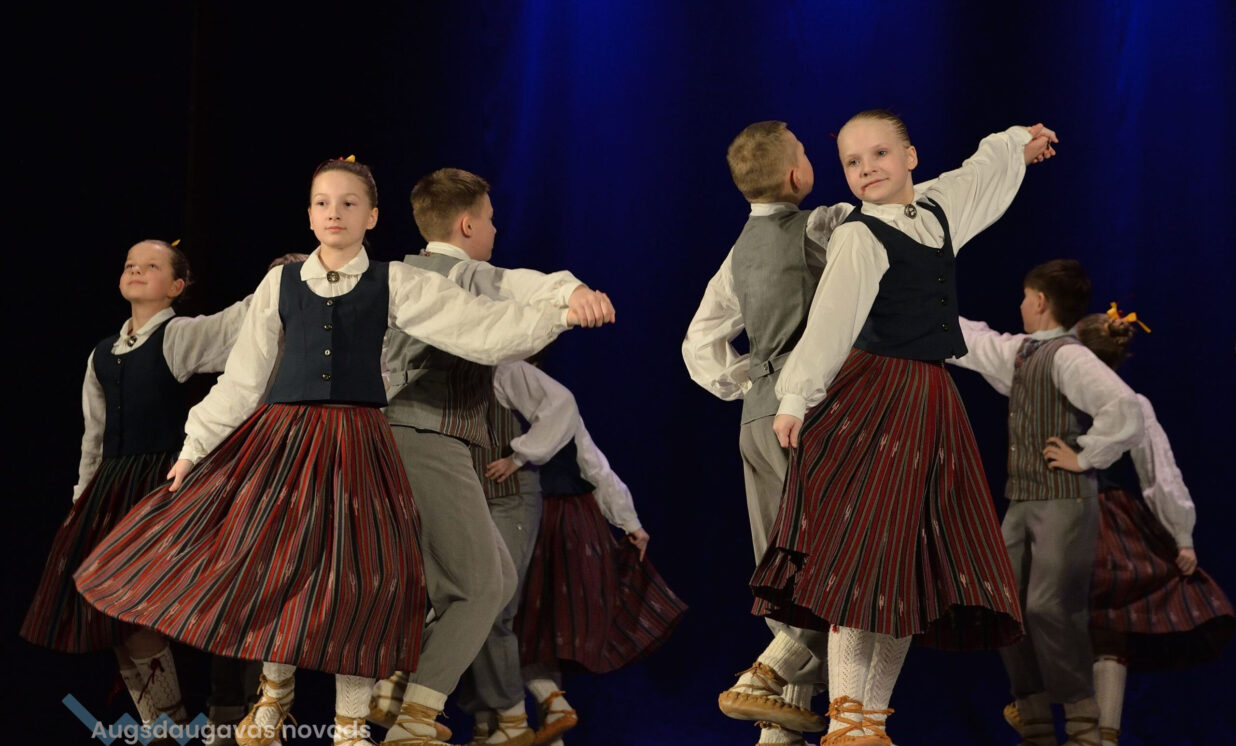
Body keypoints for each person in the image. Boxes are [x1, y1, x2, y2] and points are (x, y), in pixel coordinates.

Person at [73, 157, 588, 746]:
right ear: (310, 214)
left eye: (348, 203)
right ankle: (273, 697)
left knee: (359, 578)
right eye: (322, 203)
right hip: (287, 440)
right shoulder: (281, 285)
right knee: (280, 564)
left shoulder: (396, 281)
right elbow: (243, 379)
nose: (334, 213)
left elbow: (478, 328)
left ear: (372, 216)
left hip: (359, 440)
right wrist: (194, 449)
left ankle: (350, 724)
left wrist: (561, 312)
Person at [751, 110, 1058, 745]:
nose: (867, 169)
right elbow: (832, 320)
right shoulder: (860, 237)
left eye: (880, 154)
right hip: (873, 399)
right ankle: (844, 716)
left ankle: (869, 721)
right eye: (852, 162)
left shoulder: (936, 212)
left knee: (909, 569)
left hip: (929, 402)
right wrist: (795, 399)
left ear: (911, 156)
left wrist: (1015, 145)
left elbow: (976, 177)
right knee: (864, 559)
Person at [368, 167, 615, 743]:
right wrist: (567, 307)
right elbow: (506, 310)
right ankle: (413, 714)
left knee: (494, 581)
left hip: (420, 439)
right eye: (491, 218)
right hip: (426, 434)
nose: (496, 229)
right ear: (467, 224)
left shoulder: (407, 274)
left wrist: (569, 291)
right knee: (482, 587)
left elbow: (521, 283)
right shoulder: (460, 278)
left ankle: (406, 691)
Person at [21, 238, 250, 735]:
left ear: (177, 286)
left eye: (151, 266)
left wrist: (288, 282)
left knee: (135, 610)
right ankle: (161, 727)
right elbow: (95, 435)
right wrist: (81, 500)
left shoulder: (178, 335)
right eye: (130, 264)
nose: (137, 271)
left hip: (159, 485)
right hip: (110, 490)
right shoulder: (102, 353)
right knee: (110, 618)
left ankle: (173, 725)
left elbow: (236, 324)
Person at [682, 120, 852, 744]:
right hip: (806, 417)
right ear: (796, 174)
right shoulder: (822, 224)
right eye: (804, 151)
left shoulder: (737, 252)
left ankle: (778, 726)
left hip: (755, 419)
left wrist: (751, 378)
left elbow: (699, 341)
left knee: (783, 562)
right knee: (835, 555)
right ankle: (768, 673)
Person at [998, 306, 1233, 746]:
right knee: (1102, 624)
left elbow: (1156, 472)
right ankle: (1090, 732)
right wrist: (1181, 535)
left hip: (1060, 516)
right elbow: (1159, 474)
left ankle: (1048, 714)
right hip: (1095, 519)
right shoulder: (1126, 403)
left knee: (1051, 613)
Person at [950, 261, 1144, 746]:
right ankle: (1035, 719)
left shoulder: (1071, 358)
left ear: (1039, 301)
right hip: (1023, 498)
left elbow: (1124, 409)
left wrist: (1085, 456)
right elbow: (973, 341)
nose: (1020, 305)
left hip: (1063, 500)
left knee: (1048, 607)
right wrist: (914, 299)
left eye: (1024, 296)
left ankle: (1082, 721)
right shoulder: (1022, 352)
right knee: (1005, 605)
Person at [494, 361, 686, 746]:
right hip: (578, 521)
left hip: (546, 520)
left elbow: (589, 457)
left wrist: (517, 457)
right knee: (542, 632)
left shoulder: (514, 382)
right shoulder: (545, 410)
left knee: (518, 625)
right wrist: (630, 522)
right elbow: (595, 466)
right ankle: (553, 719)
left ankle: (549, 705)